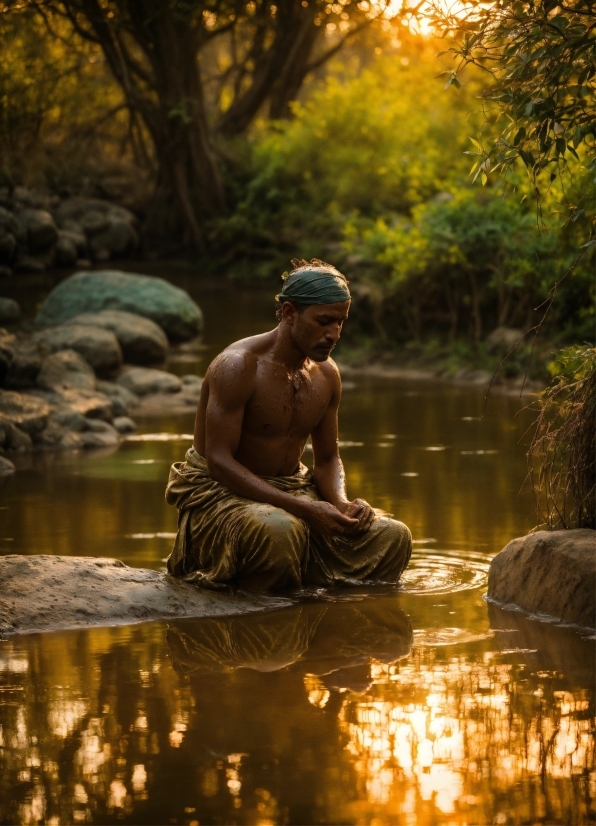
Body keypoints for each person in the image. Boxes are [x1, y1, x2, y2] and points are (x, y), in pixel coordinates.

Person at [165, 259, 412, 592]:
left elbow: (327, 460)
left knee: (393, 536)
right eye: (324, 321)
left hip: (293, 491)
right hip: (223, 494)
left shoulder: (326, 375)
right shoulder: (238, 367)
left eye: (341, 322)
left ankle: (326, 605)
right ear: (289, 313)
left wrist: (340, 504)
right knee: (281, 531)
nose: (334, 334)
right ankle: (270, 589)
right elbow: (219, 462)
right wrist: (305, 509)